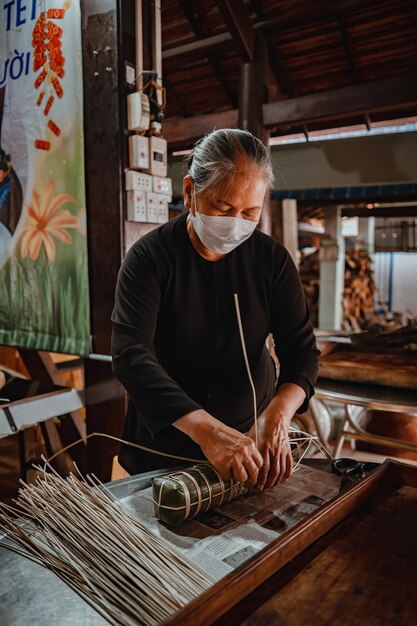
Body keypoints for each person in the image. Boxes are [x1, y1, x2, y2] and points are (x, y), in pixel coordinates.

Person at [111, 129, 320, 491]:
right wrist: (207, 432)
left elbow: (302, 353)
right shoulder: (149, 258)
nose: (236, 221)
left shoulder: (271, 260)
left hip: (250, 444)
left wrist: (277, 415)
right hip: (165, 449)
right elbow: (131, 355)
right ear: (191, 191)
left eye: (250, 211)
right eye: (223, 208)